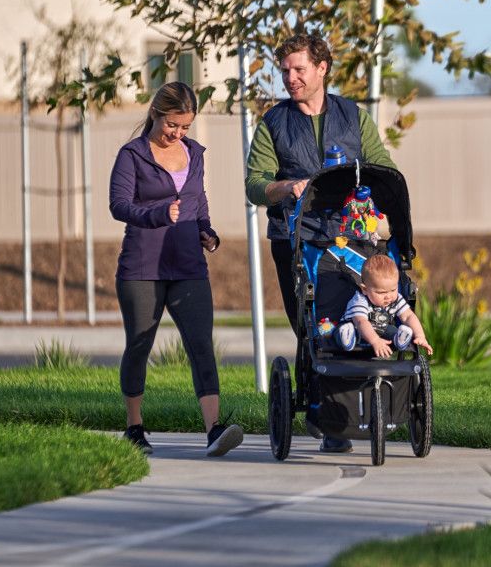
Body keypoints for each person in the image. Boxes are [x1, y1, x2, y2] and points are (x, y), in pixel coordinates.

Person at [244, 33, 398, 453]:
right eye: (285, 71)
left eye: (299, 69)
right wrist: (286, 187)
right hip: (295, 240)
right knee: (311, 326)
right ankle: (324, 413)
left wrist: (376, 194)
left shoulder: (353, 116)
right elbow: (255, 185)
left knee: (349, 318)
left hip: (351, 240)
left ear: (322, 68)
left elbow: (382, 165)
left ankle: (345, 413)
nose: (290, 78)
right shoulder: (274, 123)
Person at [109, 81, 243, 457]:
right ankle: (134, 428)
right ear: (156, 112)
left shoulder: (194, 154)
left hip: (188, 264)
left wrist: (207, 233)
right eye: (172, 125)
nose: (177, 133)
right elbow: (118, 205)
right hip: (142, 266)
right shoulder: (132, 155)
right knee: (140, 344)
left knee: (201, 344)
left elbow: (198, 202)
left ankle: (214, 429)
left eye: (184, 127)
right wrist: (155, 214)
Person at [336, 254, 433, 358]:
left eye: (393, 290)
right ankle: (347, 337)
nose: (388, 296)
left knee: (391, 329)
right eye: (381, 293)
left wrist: (420, 335)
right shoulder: (360, 300)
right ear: (365, 289)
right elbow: (361, 322)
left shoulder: (395, 299)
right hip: (358, 330)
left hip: (381, 329)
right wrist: (375, 341)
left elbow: (408, 316)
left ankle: (399, 338)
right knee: (341, 331)